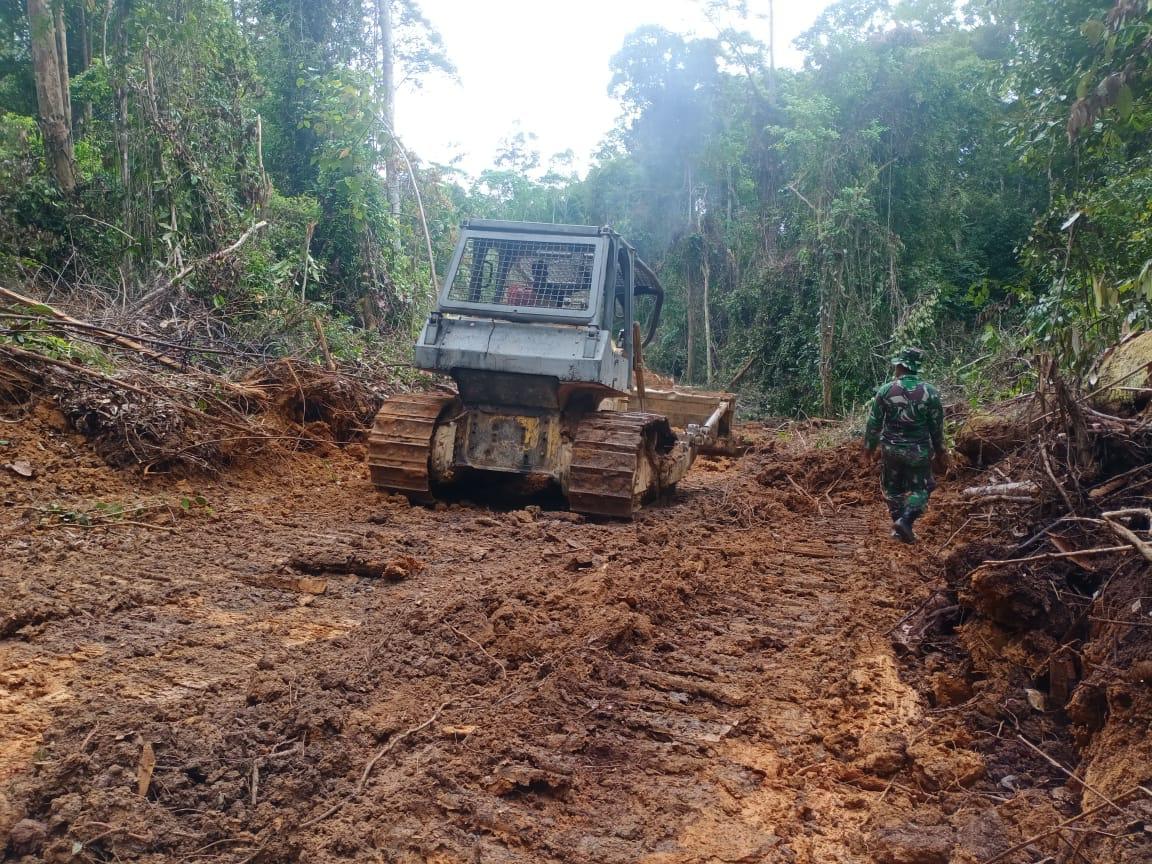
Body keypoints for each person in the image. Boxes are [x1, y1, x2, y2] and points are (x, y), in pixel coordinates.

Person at [862, 346, 948, 544]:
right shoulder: (930, 393)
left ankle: (900, 525)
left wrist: (868, 449)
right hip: (918, 452)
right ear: (916, 368)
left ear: (900, 366)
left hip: (890, 451)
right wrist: (941, 451)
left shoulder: (885, 391)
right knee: (924, 488)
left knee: (893, 490)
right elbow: (937, 428)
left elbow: (873, 424)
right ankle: (906, 521)